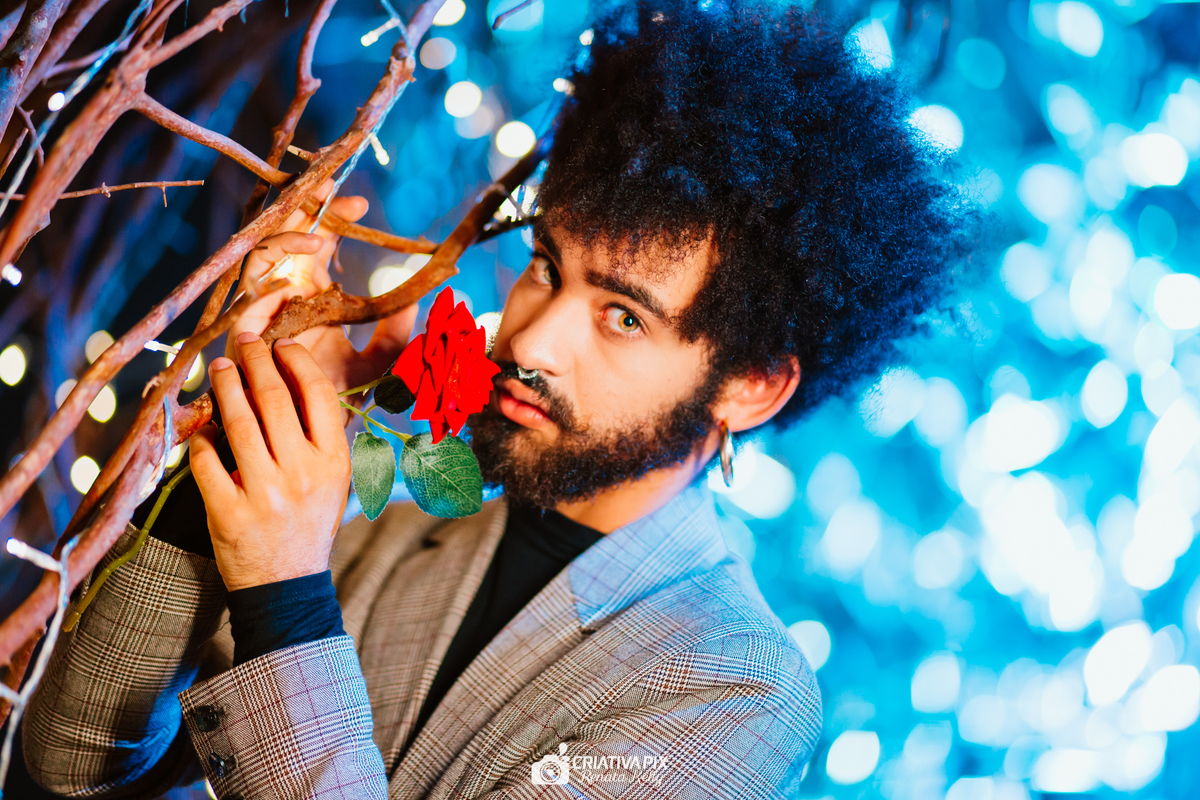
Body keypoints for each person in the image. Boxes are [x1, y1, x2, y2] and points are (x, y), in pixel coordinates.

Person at [22, 1, 976, 797]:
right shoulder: (400, 498)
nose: (529, 341)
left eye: (623, 317)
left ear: (749, 386)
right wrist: (252, 449)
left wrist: (285, 596)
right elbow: (71, 764)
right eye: (547, 267)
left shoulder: (735, 687)